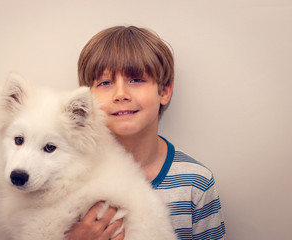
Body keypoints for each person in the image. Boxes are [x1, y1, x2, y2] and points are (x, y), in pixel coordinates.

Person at [67, 26, 226, 240]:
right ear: (87, 99)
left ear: (165, 92)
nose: (121, 94)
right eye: (105, 82)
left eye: (136, 79)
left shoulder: (195, 183)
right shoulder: (65, 178)